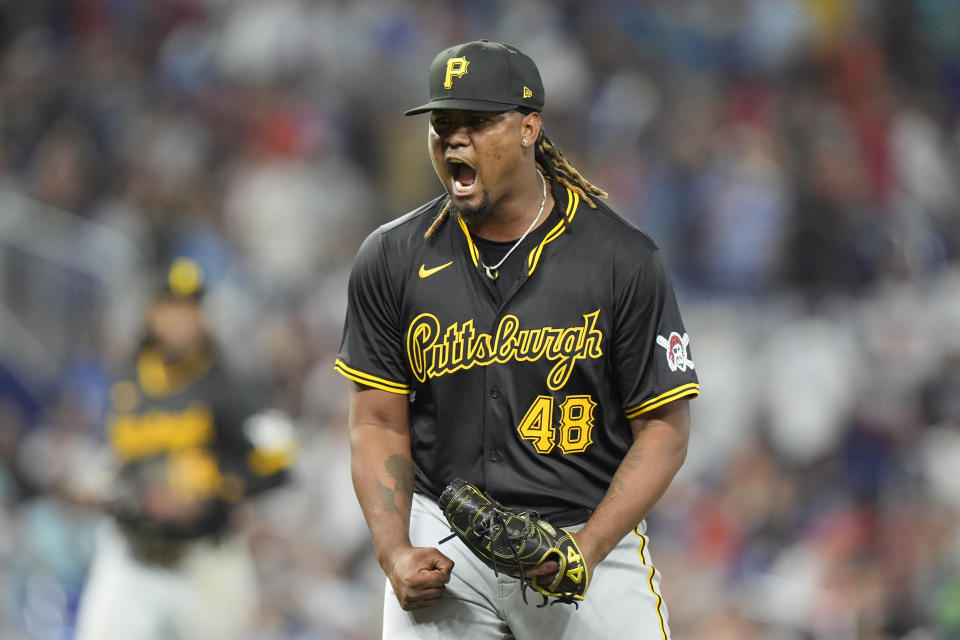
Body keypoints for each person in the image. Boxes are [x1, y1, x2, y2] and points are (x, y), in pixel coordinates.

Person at [335, 40, 699, 639]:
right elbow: (376, 421)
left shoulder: (619, 258)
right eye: (443, 124)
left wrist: (587, 545)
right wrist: (393, 549)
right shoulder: (392, 257)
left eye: (476, 122)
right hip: (444, 541)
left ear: (530, 127)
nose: (454, 139)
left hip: (583, 534)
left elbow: (664, 429)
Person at [75, 257, 297, 640]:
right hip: (129, 559)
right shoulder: (127, 381)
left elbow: (282, 462)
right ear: (151, 313)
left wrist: (216, 488)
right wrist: (111, 486)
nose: (184, 319)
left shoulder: (231, 384)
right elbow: (117, 459)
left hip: (204, 564)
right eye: (173, 307)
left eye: (192, 308)